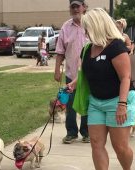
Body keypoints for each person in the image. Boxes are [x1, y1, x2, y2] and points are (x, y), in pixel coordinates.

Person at [67, 8, 135, 170]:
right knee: (96, 143)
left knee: (120, 146)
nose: (85, 32)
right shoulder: (87, 49)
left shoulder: (116, 47)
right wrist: (73, 84)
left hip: (118, 100)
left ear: (97, 26)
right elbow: (85, 74)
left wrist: (122, 105)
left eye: (88, 28)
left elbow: (125, 77)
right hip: (96, 102)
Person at [55, 0, 90, 144]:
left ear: (84, 7)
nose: (75, 9)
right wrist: (57, 69)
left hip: (89, 75)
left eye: (78, 6)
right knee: (70, 104)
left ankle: (86, 132)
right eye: (72, 6)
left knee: (87, 104)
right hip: (71, 74)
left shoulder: (91, 24)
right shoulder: (65, 27)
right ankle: (71, 132)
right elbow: (60, 51)